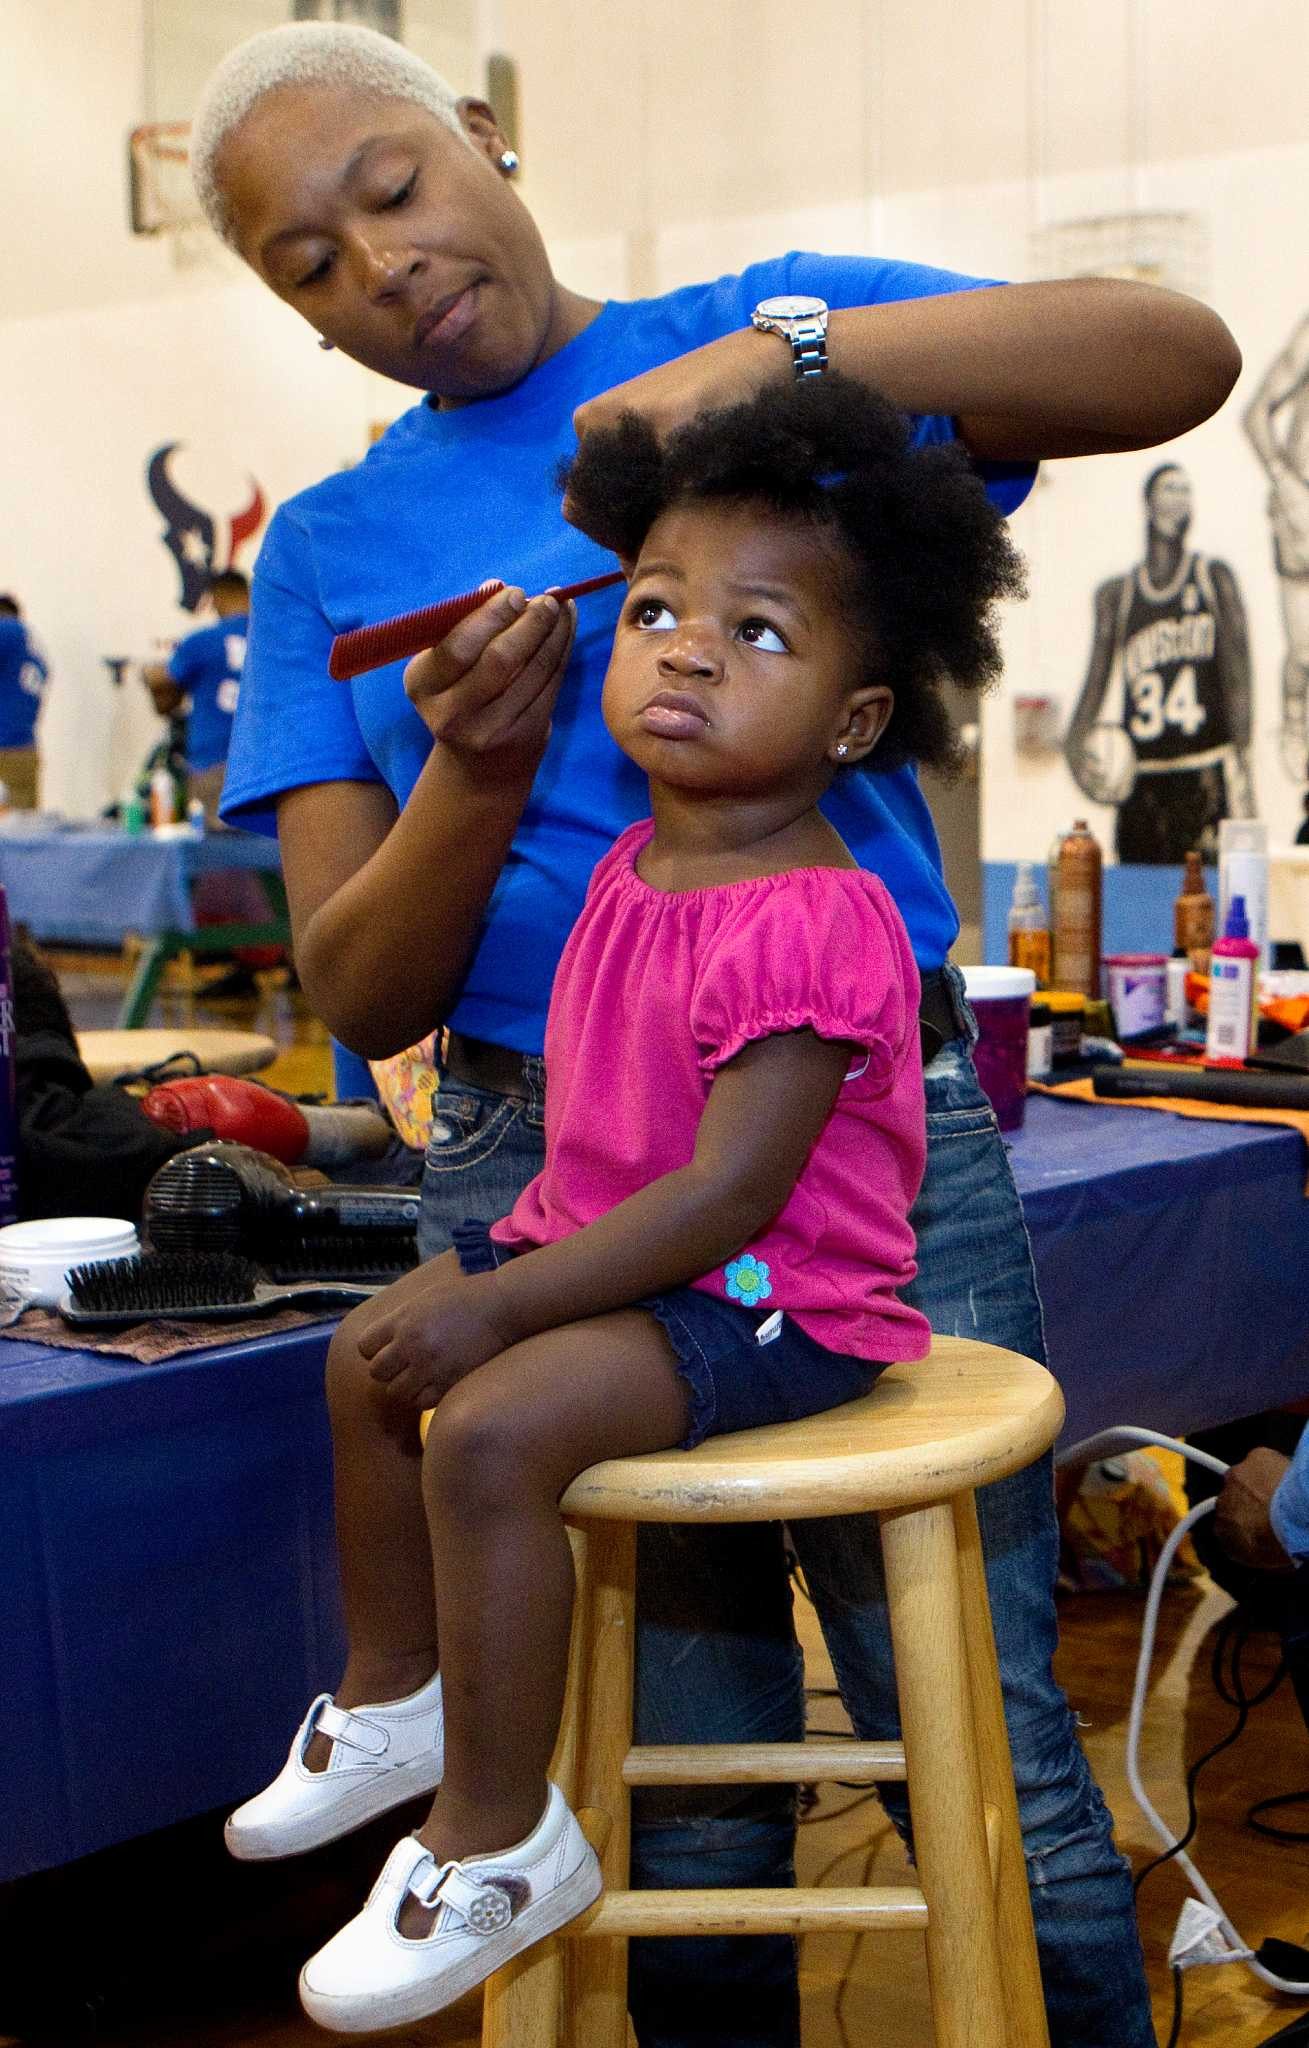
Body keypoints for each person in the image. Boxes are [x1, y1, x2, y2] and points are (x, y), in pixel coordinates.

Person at [191, 21, 1241, 2044]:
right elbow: (358, 990)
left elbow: (1171, 351)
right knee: (683, 1769)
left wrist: (786, 373)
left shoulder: (770, 340)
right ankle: (425, 1743)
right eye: (306, 261)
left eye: (393, 187)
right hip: (539, 1148)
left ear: (486, 137)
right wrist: (473, 780)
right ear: (291, 322)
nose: (377, 264)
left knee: (994, 1749)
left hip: (850, 1138)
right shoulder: (327, 551)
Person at [225, 374, 1022, 2030]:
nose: (680, 648)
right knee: (365, 1355)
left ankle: (499, 1835)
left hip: (773, 1298)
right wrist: (498, 1270)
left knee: (497, 1428)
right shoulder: (624, 868)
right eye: (654, 608)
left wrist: (509, 1295)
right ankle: (401, 1698)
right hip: (640, 1267)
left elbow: (734, 1189)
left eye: (752, 632)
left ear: (854, 721)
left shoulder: (814, 913)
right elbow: (610, 1139)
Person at [1065, 463, 1255, 863]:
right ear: (1148, 503)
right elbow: (1091, 694)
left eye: (1184, 491)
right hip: (1141, 782)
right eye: (1168, 489)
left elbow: (1239, 680)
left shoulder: (1212, 578)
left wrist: (1246, 770)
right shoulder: (1116, 596)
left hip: (1204, 775)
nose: (1177, 499)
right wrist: (1078, 759)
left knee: (1203, 911)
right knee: (1140, 908)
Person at [1243, 310, 1309, 785]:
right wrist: (1286, 482)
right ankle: (1293, 721)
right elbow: (1256, 415)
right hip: (1301, 507)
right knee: (1305, 652)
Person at [142, 568, 249, 822]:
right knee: (263, 854)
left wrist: (148, 674)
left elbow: (162, 683)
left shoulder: (203, 642)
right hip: (264, 765)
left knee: (213, 855)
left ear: (217, 598)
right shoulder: (273, 640)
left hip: (213, 763)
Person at [0, 594, 49, 811]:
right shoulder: (31, 643)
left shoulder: (7, 631)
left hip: (5, 750)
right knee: (25, 837)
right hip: (24, 750)